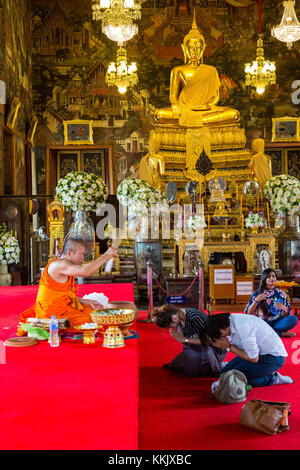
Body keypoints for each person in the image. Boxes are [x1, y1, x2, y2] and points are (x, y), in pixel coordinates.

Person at [17, 238, 118, 335]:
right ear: (69, 253)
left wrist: (85, 301)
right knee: (93, 318)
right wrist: (106, 255)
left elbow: (64, 295)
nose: (83, 258)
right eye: (81, 254)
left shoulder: (66, 266)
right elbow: (85, 271)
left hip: (64, 308)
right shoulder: (60, 265)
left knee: (94, 310)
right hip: (51, 314)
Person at [154, 12, 240, 127]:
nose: (195, 51)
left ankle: (195, 122)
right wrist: (175, 105)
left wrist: (208, 105)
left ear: (203, 49)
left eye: (198, 48)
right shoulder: (178, 70)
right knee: (159, 114)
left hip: (206, 111)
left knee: (233, 114)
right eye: (192, 48)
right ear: (185, 49)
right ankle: (198, 122)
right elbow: (173, 96)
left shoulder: (211, 70)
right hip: (184, 109)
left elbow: (216, 96)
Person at [202, 313, 293, 387]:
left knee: (236, 379)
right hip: (257, 353)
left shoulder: (243, 328)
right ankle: (262, 371)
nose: (219, 337)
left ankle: (273, 379)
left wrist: (229, 347)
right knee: (224, 374)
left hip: (273, 358)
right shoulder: (229, 321)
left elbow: (253, 358)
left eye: (218, 334)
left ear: (224, 328)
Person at [152, 304, 227, 377]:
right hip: (198, 346)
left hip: (214, 349)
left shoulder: (194, 317)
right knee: (178, 367)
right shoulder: (179, 319)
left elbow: (209, 340)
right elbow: (189, 340)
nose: (170, 328)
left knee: (200, 371)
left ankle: (218, 365)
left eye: (169, 326)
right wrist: (183, 340)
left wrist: (185, 340)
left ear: (173, 318)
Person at [245, 268, 298, 338]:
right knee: (253, 325)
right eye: (269, 276)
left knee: (294, 319)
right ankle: (280, 334)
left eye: (273, 276)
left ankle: (269, 332)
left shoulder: (281, 293)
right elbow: (248, 313)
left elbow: (287, 314)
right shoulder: (257, 293)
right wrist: (256, 301)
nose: (272, 278)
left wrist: (284, 308)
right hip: (262, 323)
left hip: (277, 323)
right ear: (264, 279)